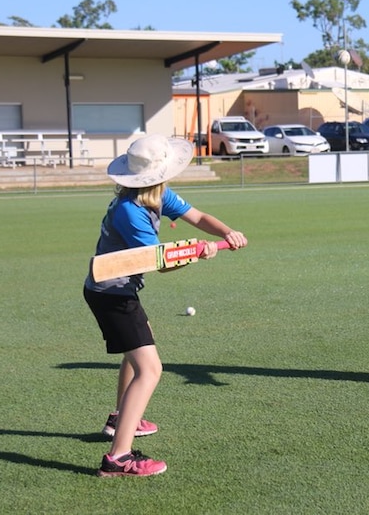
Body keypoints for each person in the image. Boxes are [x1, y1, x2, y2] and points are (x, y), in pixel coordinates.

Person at [83, 134, 248, 476]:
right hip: (111, 294)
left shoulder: (155, 196)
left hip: (115, 290)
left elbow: (198, 217)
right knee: (150, 369)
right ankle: (118, 458)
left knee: (138, 350)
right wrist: (201, 252)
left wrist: (226, 233)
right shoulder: (131, 212)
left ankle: (120, 420)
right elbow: (162, 262)